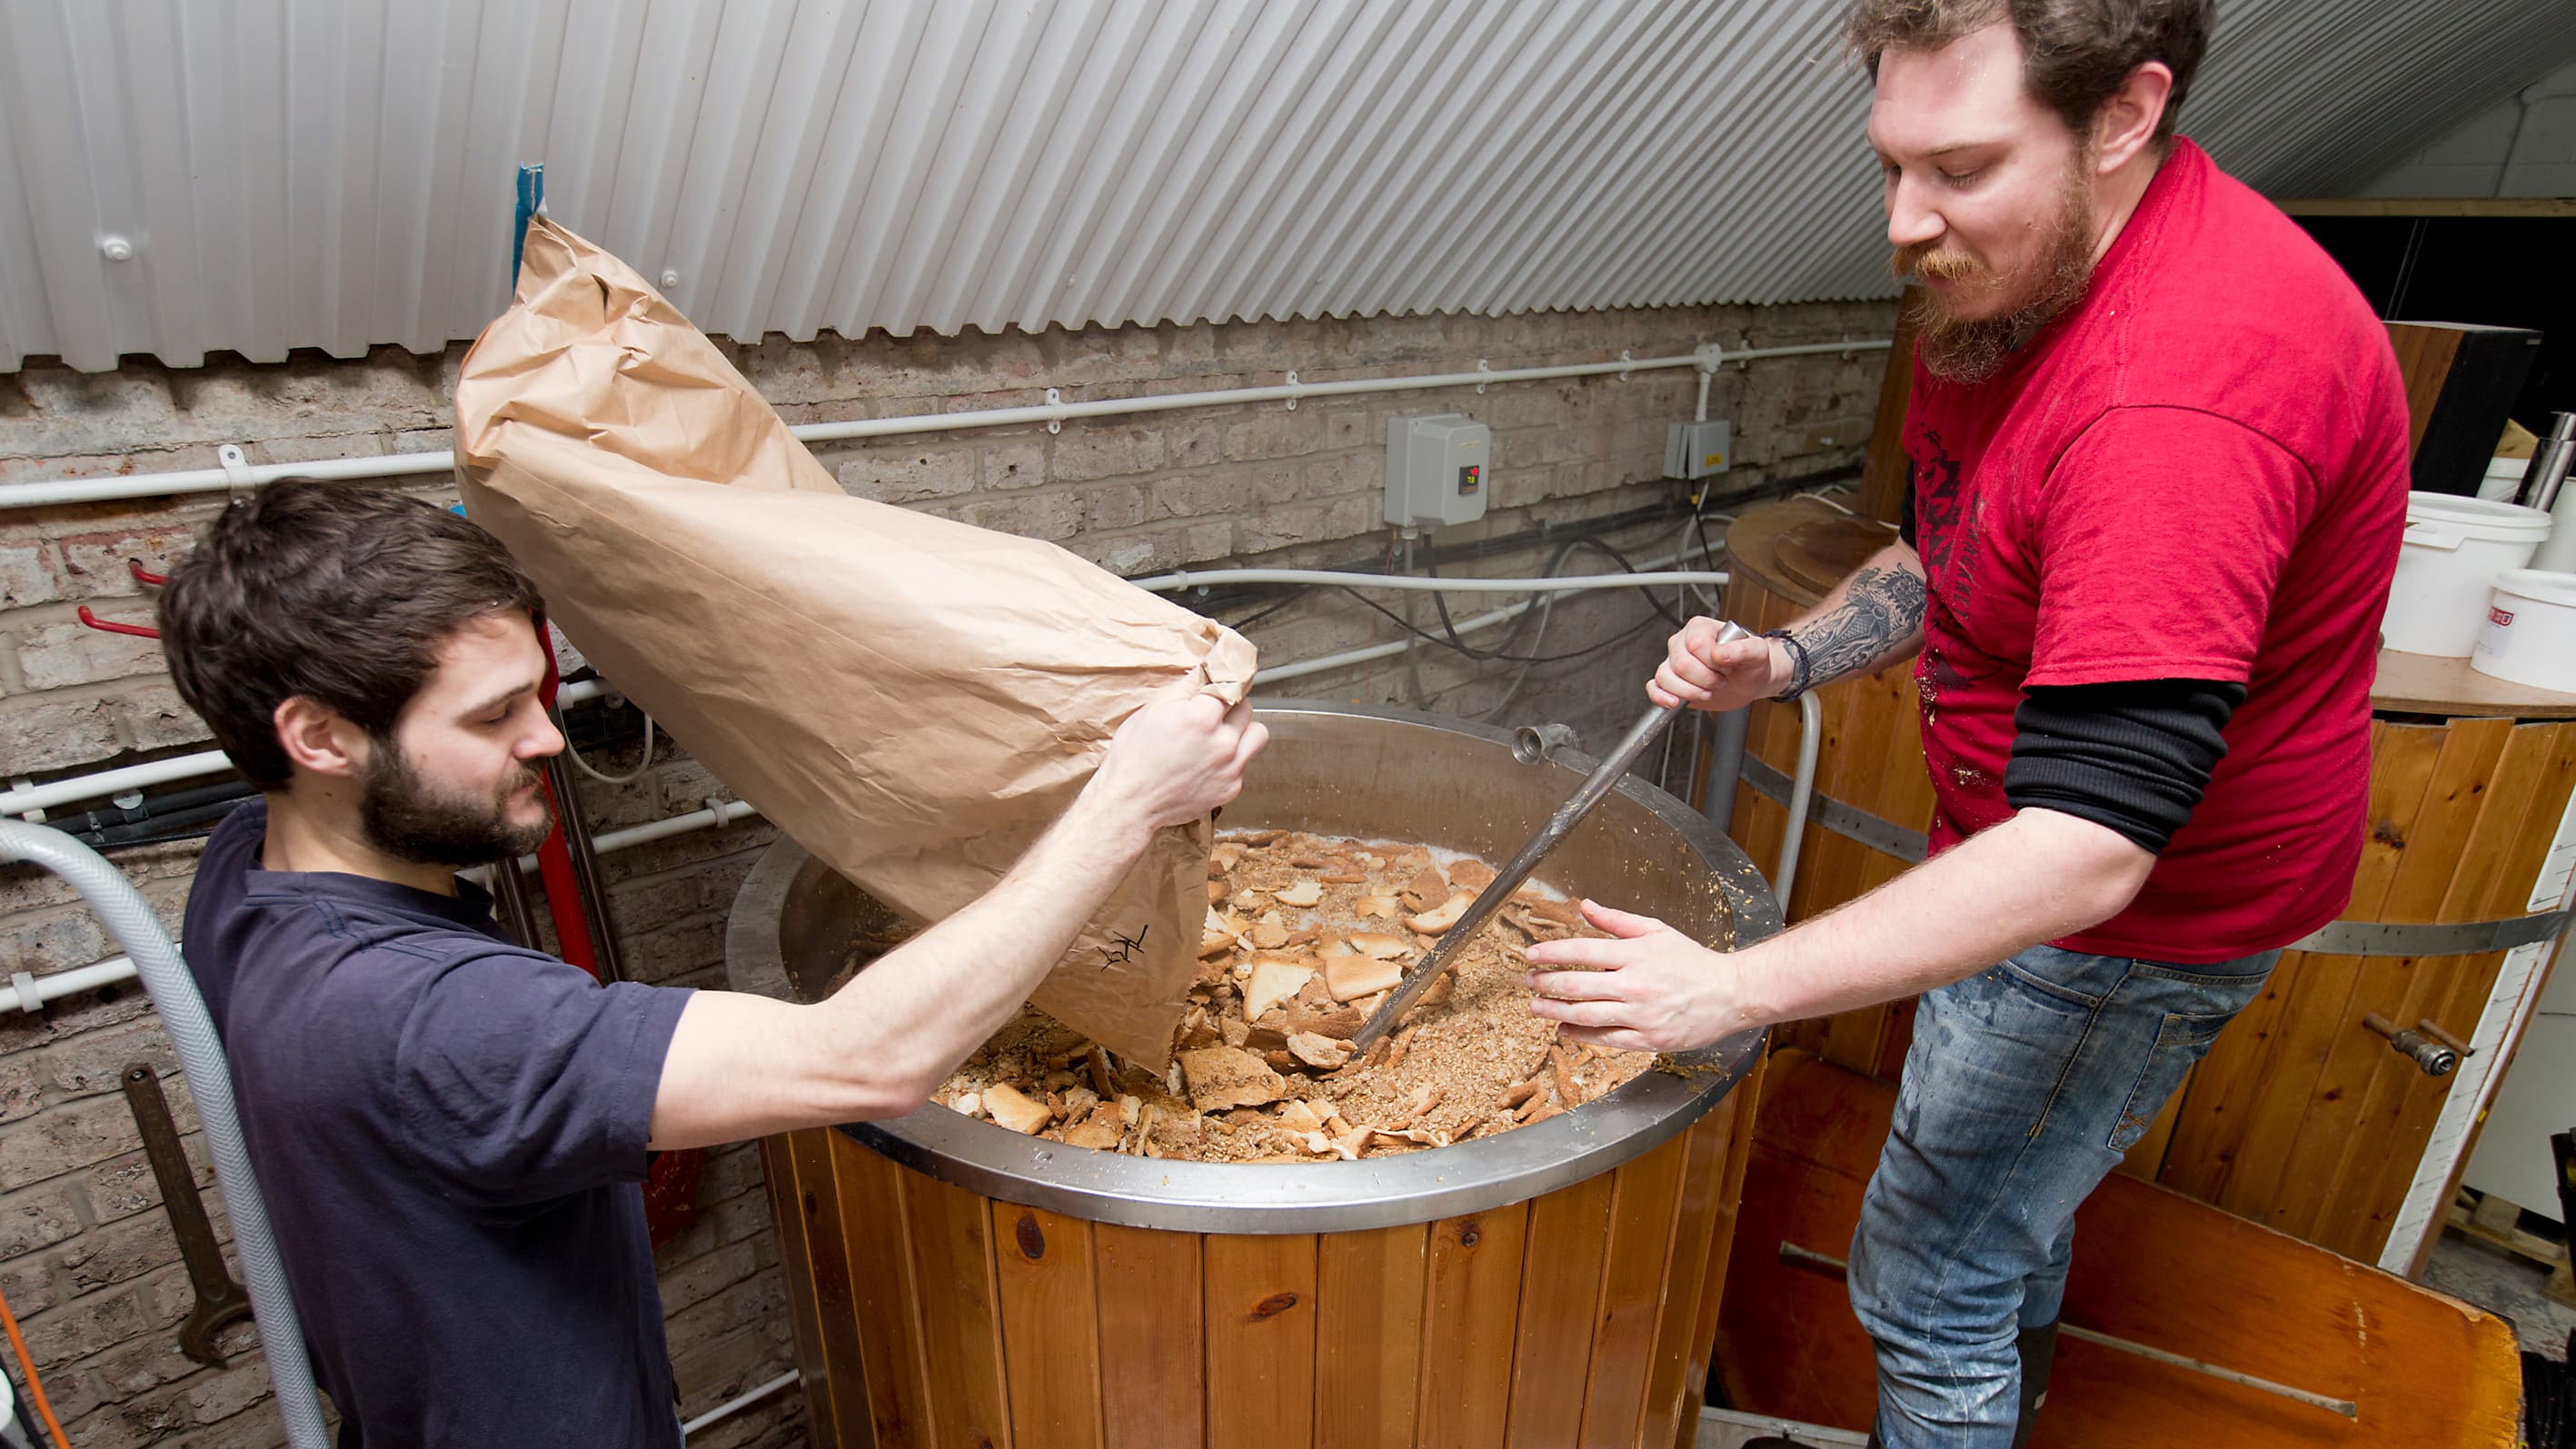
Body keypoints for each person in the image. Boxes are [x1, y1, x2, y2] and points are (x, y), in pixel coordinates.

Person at [1521, 2, 2407, 1444]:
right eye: (1889, 163)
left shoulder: (2180, 392)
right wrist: (1784, 657)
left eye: (1959, 168)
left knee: (1927, 1276)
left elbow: (2087, 847)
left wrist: (1728, 989)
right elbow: (1958, 539)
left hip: (2129, 920)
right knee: (2001, 1213)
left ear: (2122, 115)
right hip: (2026, 854)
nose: (1901, 222)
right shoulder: (2013, 272)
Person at [155, 478, 1265, 1447]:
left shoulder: (248, 866)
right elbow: (863, 1058)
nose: (545, 737)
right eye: (492, 716)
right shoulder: (416, 1016)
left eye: (534, 691)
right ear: (319, 737)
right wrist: (1127, 800)